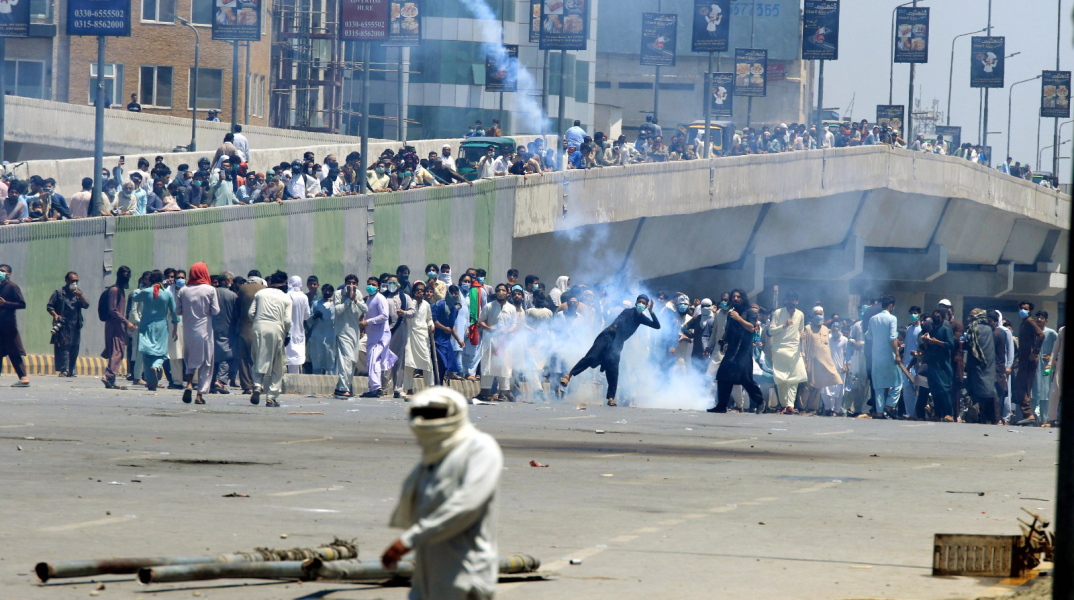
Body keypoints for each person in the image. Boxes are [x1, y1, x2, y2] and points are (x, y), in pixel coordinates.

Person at [382, 386, 504, 600]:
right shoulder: (433, 458)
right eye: (422, 414)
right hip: (427, 574)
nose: (426, 421)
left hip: (465, 574)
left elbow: (465, 505)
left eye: (434, 414)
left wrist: (409, 540)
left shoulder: (480, 448)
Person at [561, 293, 660, 407]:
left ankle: (611, 397)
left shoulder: (641, 318)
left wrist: (651, 312)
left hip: (617, 344)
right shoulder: (628, 312)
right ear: (636, 302)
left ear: (646, 306)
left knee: (613, 370)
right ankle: (568, 376)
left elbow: (657, 326)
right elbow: (620, 319)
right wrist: (615, 326)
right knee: (591, 357)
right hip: (607, 337)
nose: (641, 304)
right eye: (640, 302)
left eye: (644, 303)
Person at [711, 289, 764, 413]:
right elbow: (728, 330)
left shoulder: (750, 313)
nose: (735, 299)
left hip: (744, 350)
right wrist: (724, 340)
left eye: (738, 297)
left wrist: (739, 318)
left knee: (745, 378)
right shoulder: (731, 314)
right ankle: (721, 406)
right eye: (734, 297)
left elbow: (751, 328)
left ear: (743, 298)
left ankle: (760, 401)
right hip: (732, 350)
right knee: (723, 376)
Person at [175, 262, 220, 405]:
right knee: (206, 363)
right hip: (204, 331)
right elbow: (215, 311)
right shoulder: (210, 290)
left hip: (188, 331)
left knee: (190, 360)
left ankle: (189, 384)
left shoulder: (183, 290)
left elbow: (178, 310)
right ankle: (200, 394)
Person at [129, 271, 180, 391]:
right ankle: (156, 367)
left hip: (146, 326)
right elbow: (174, 312)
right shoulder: (167, 293)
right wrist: (175, 329)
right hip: (161, 327)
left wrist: (142, 288)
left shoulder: (146, 292)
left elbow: (134, 296)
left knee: (146, 352)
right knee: (161, 352)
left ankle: (149, 380)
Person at [248, 271, 293, 407]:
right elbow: (287, 320)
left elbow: (250, 313)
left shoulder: (260, 294)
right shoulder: (286, 298)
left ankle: (257, 386)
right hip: (276, 328)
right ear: (284, 283)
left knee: (258, 359)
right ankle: (271, 397)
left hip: (258, 327)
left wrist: (258, 322)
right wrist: (286, 333)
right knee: (278, 364)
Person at [476, 283, 519, 402]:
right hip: (490, 341)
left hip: (505, 341)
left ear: (507, 293)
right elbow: (480, 321)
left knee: (504, 366)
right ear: (495, 292)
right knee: (488, 365)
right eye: (499, 290)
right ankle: (485, 392)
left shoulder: (511, 308)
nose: (501, 292)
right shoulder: (489, 306)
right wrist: (489, 327)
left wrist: (507, 331)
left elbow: (514, 324)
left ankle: (504, 392)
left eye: (503, 290)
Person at [767, 292, 807, 414]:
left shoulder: (800, 314)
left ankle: (790, 405)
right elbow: (771, 331)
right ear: (785, 301)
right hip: (780, 349)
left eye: (793, 300)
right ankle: (784, 405)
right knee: (781, 379)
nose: (791, 302)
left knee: (795, 379)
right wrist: (783, 326)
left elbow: (801, 331)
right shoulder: (778, 313)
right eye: (789, 299)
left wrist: (802, 337)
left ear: (797, 302)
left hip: (794, 350)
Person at [801, 306, 843, 415]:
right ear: (812, 315)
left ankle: (813, 408)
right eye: (816, 314)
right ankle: (802, 407)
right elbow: (803, 346)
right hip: (810, 361)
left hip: (823, 362)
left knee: (819, 385)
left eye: (820, 314)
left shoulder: (826, 329)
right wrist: (804, 360)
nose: (818, 316)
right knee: (807, 385)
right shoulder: (807, 328)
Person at [47, 271, 89, 377]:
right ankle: (64, 369)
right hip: (63, 325)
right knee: (63, 346)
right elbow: (50, 306)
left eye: (76, 281)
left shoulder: (78, 293)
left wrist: (81, 296)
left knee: (74, 347)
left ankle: (71, 369)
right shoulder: (59, 293)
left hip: (75, 325)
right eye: (72, 280)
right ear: (66, 280)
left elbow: (86, 305)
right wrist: (55, 315)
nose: (74, 283)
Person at [866, 295, 901, 419]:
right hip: (888, 356)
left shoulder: (873, 319)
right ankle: (889, 405)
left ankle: (880, 411)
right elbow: (892, 338)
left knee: (879, 385)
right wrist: (897, 354)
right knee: (898, 383)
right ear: (891, 305)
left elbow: (868, 336)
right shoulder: (892, 318)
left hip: (876, 356)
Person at [332, 275, 367, 398]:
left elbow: (365, 309)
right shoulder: (338, 294)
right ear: (345, 283)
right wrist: (348, 300)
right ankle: (343, 389)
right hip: (342, 333)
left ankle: (341, 387)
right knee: (345, 360)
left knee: (352, 361)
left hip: (355, 333)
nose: (351, 285)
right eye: (349, 282)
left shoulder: (359, 294)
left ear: (357, 284)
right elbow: (337, 310)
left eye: (353, 283)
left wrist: (355, 300)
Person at [362, 276, 397, 398]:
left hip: (380, 335)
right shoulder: (369, 299)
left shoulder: (380, 298)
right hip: (372, 335)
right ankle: (374, 387)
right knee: (372, 362)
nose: (370, 286)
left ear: (378, 287)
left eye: (373, 284)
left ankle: (376, 387)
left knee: (373, 361)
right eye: (369, 284)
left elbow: (384, 316)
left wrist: (367, 322)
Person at [101, 266, 135, 389]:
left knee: (113, 351)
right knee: (118, 351)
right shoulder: (115, 290)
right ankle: (109, 375)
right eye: (124, 275)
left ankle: (111, 380)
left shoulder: (120, 290)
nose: (126, 277)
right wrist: (127, 322)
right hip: (115, 324)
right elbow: (113, 309)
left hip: (117, 324)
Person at [1012, 302, 1045, 426]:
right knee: (1022, 387)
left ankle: (1029, 415)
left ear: (1030, 311)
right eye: (1021, 308)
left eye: (1025, 309)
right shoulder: (1024, 322)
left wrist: (1035, 352)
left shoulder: (1030, 322)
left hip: (1029, 360)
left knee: (1022, 387)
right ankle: (1027, 415)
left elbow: (1041, 335)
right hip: (1023, 360)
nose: (1022, 310)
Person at [964, 308, 999, 424]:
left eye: (971, 316)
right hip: (989, 364)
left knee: (977, 387)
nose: (969, 318)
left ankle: (977, 407)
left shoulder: (974, 328)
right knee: (986, 388)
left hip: (977, 363)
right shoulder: (989, 328)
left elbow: (970, 345)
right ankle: (983, 414)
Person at [0, 264, 30, 387]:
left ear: (9, 274)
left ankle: (24, 378)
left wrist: (6, 304)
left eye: (2, 271)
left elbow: (22, 304)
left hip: (9, 326)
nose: (0, 273)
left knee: (14, 352)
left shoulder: (12, 287)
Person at [403, 281, 435, 394]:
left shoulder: (426, 305)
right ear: (414, 292)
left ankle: (430, 387)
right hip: (410, 335)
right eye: (417, 290)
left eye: (422, 290)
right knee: (409, 363)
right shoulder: (409, 303)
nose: (420, 292)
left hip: (422, 336)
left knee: (427, 361)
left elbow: (429, 319)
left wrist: (431, 325)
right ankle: (409, 389)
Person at [211, 274, 240, 393]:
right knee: (228, 355)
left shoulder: (211, 293)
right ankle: (220, 380)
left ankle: (212, 382)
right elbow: (237, 314)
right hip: (228, 328)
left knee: (213, 356)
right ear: (227, 281)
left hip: (211, 328)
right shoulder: (232, 295)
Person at [284, 275, 310, 374]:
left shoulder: (287, 295)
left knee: (287, 357)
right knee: (297, 360)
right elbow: (307, 316)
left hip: (288, 330)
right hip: (299, 331)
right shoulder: (304, 297)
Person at [309, 284, 336, 375]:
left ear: (332, 292)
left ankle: (331, 379)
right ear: (322, 291)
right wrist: (314, 316)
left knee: (330, 358)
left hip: (330, 335)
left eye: (329, 291)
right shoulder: (316, 304)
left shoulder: (335, 305)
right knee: (317, 358)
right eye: (325, 290)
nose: (327, 292)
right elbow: (309, 320)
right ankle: (316, 379)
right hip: (317, 335)